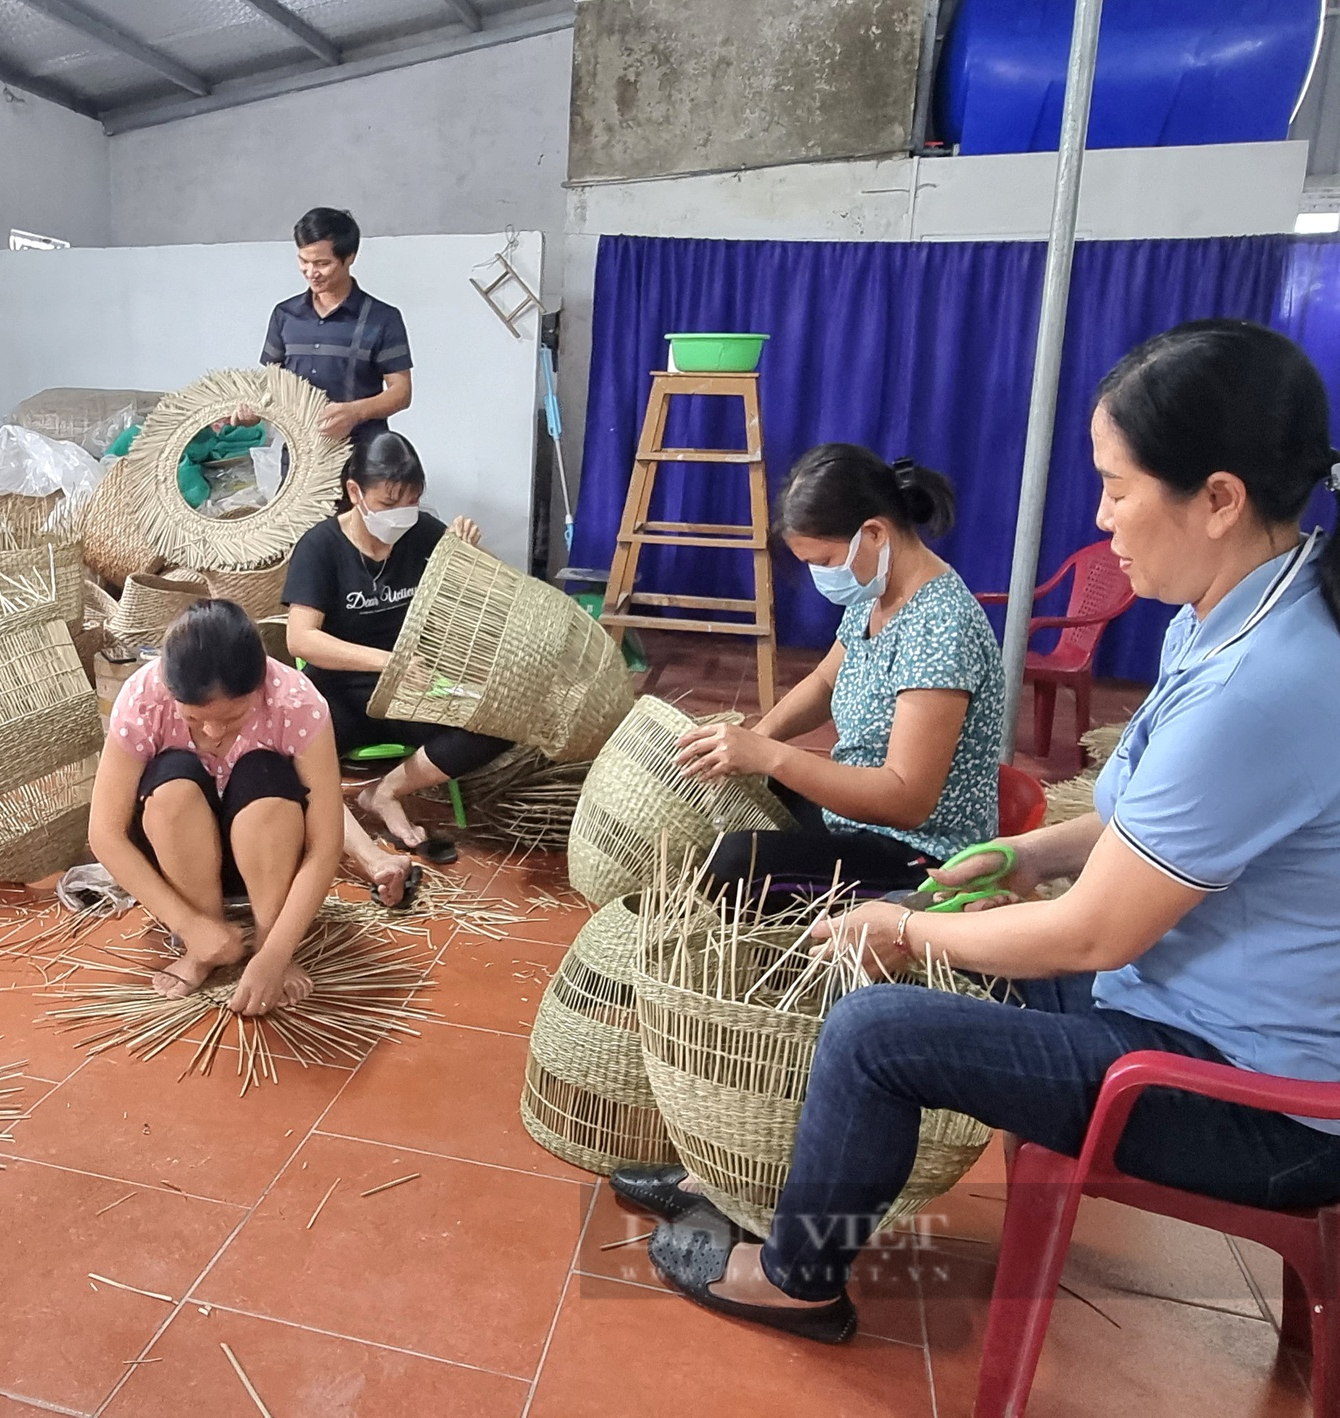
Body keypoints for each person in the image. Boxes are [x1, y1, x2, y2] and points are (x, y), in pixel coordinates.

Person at [621, 320, 1340, 1346]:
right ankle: (739, 1168)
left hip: (1235, 1089)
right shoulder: (1228, 612)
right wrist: (1025, 852)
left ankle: (797, 1276)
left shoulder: (1264, 683)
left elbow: (1090, 936)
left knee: (877, 1021)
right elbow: (1135, 827)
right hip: (1163, 998)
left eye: (1115, 487)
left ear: (1217, 498)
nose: (1099, 518)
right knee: (881, 937)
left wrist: (908, 926)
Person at [675, 445, 1004, 899]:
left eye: (824, 563)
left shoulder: (941, 626)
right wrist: (759, 739)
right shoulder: (875, 596)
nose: (820, 578)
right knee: (742, 792)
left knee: (732, 865)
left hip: (921, 856)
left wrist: (770, 757)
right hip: (859, 820)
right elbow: (824, 682)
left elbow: (907, 800)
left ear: (874, 533)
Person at [284, 430, 509, 905]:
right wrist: (387, 661)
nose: (400, 514)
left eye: (411, 501)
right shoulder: (320, 547)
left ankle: (385, 792)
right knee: (283, 749)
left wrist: (469, 559)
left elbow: (481, 601)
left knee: (498, 719)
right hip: (339, 694)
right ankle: (370, 856)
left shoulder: (422, 532)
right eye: (388, 503)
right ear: (354, 493)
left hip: (412, 691)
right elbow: (301, 638)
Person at [88, 600, 344, 1016]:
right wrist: (189, 926)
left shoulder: (295, 701)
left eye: (233, 717)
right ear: (171, 692)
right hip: (179, 858)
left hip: (268, 857)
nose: (211, 732)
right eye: (193, 718)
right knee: (171, 782)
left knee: (265, 775)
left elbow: (325, 846)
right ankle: (206, 941)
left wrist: (275, 953)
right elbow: (104, 835)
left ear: (259, 686)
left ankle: (266, 932)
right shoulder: (143, 698)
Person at [251, 208, 413, 446]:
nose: (311, 272)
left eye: (322, 263)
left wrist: (356, 412)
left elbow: (401, 392)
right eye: (303, 261)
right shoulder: (285, 314)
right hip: (300, 456)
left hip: (362, 456)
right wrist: (250, 413)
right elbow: (269, 384)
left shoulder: (382, 318)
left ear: (349, 258)